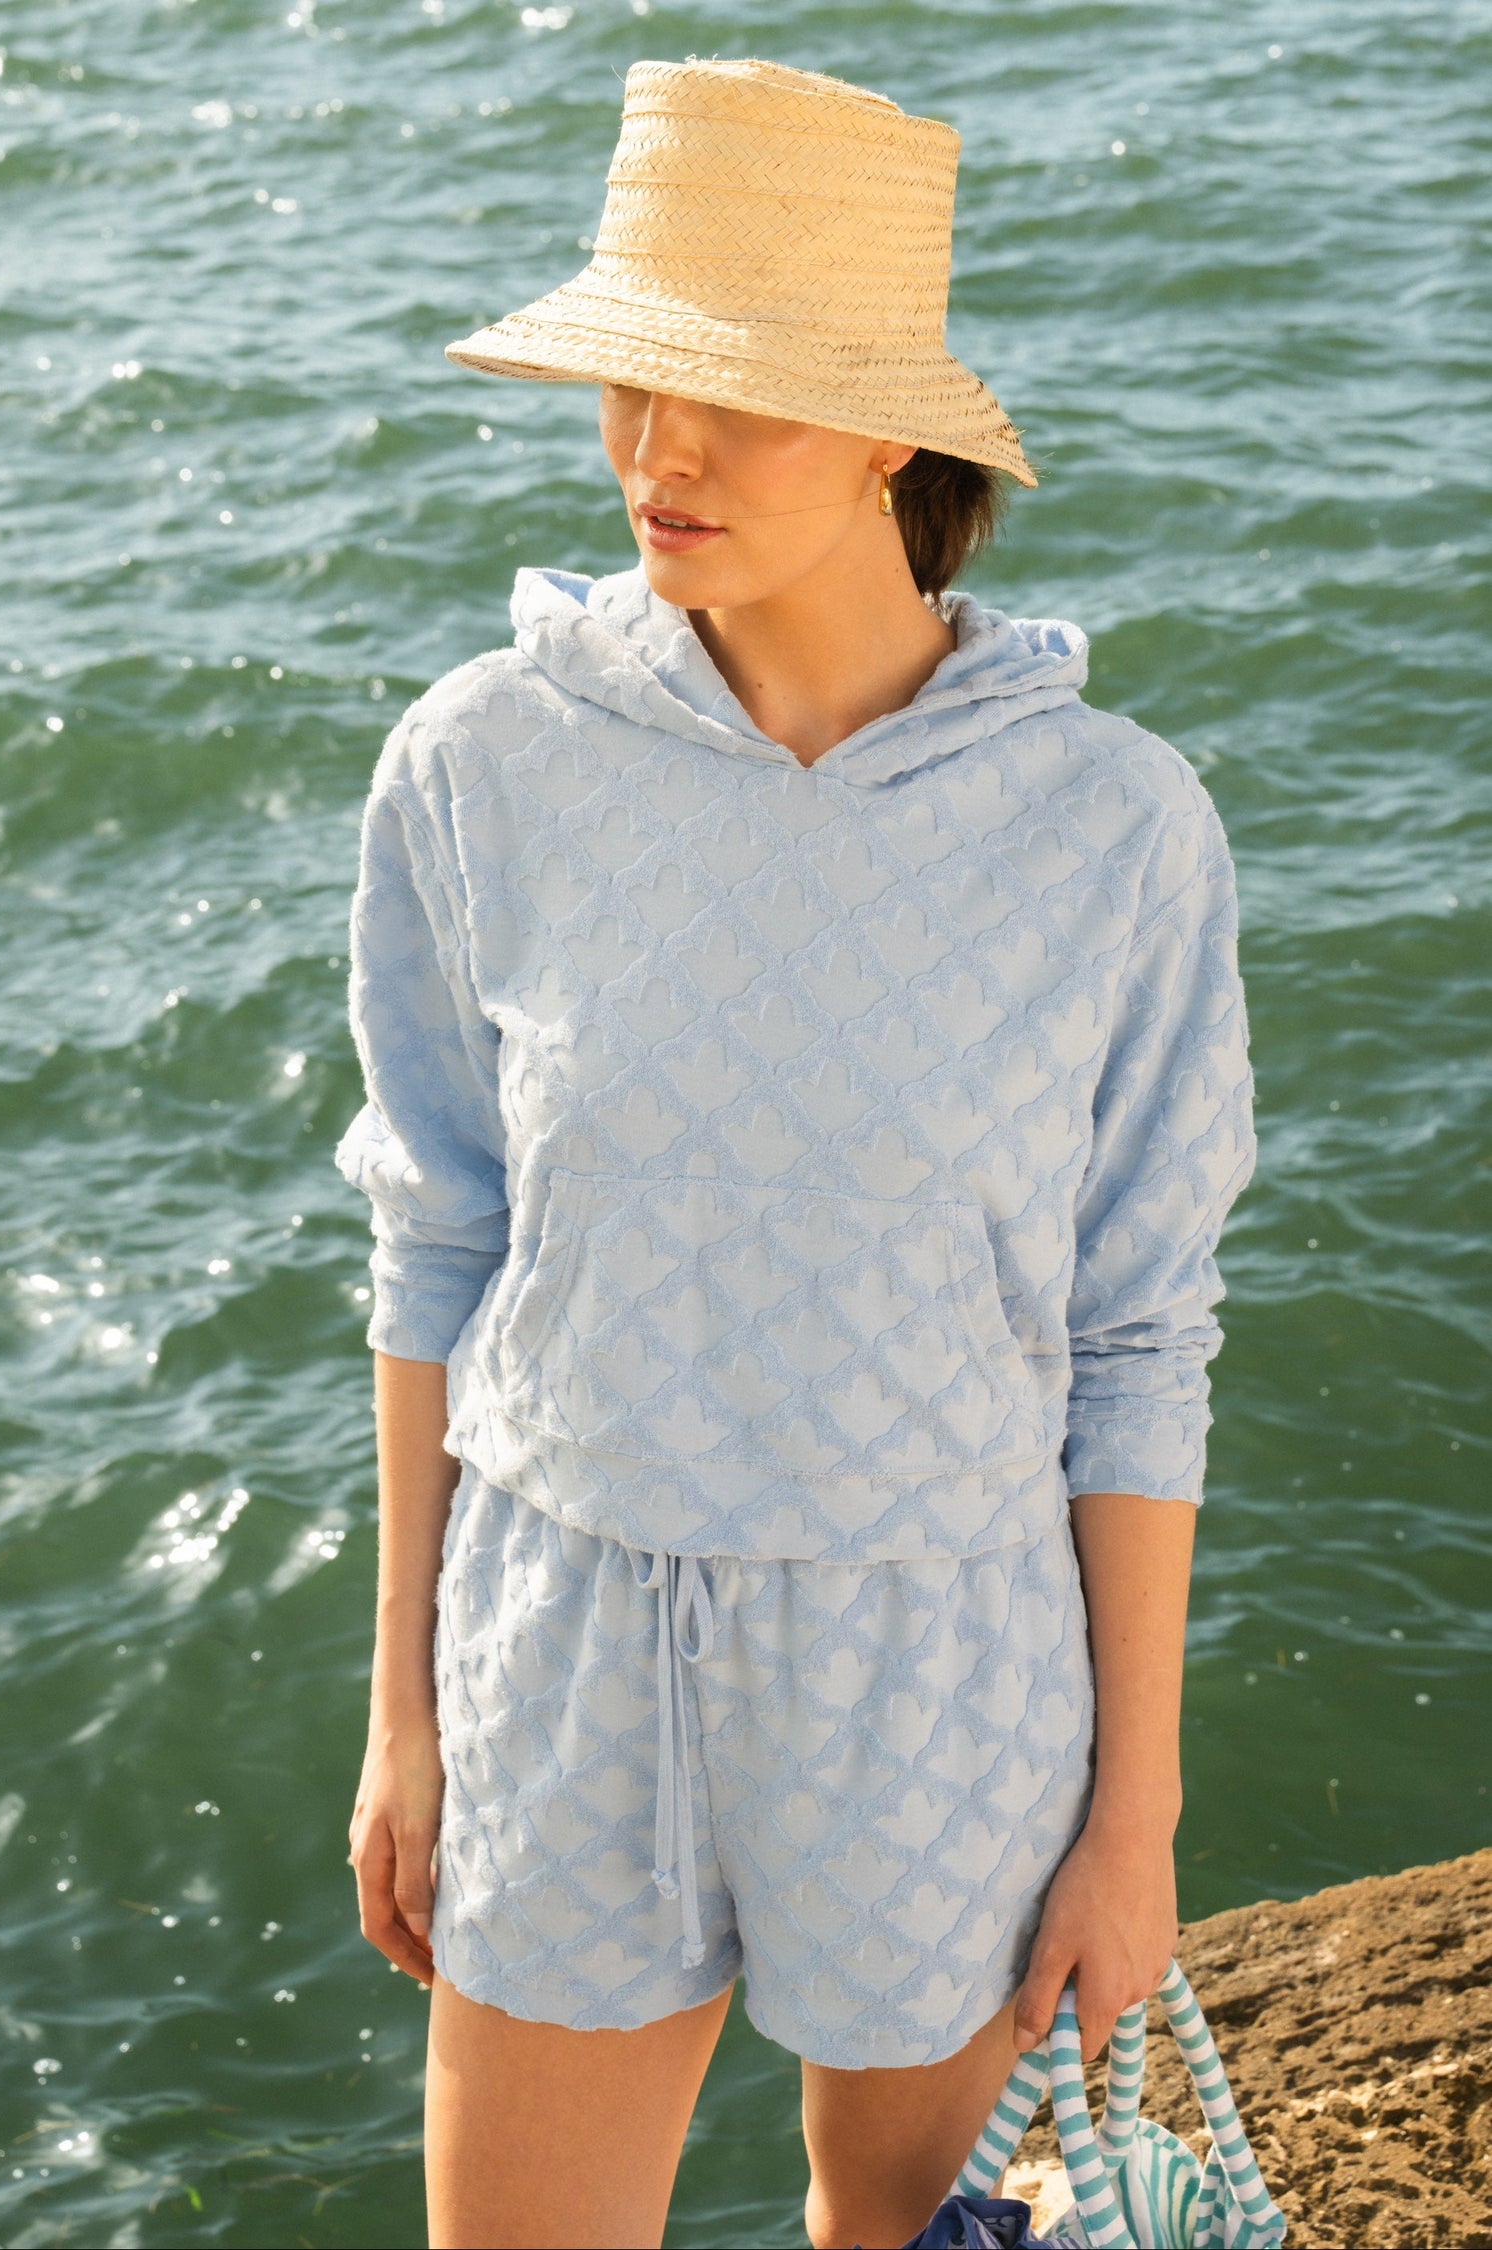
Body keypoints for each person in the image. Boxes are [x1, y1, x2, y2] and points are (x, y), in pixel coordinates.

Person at [334, 56, 1256, 2250]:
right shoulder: (480, 761)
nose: (660, 450)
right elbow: (436, 1244)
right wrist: (405, 1715)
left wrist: (1132, 1822)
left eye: (734, 396)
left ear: (889, 436)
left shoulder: (1116, 828)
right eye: (634, 382)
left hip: (942, 1663)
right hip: (561, 1644)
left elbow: (1138, 1341)